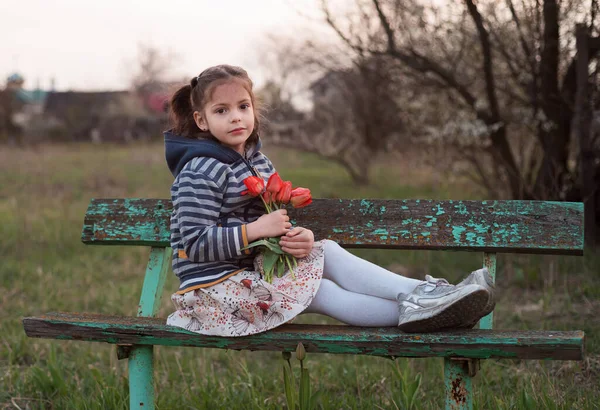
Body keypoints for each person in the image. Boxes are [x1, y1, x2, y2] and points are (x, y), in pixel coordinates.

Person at [164, 64, 495, 337]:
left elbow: (269, 223)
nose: (236, 117)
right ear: (201, 120)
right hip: (213, 293)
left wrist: (292, 238)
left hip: (251, 276)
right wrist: (255, 231)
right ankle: (437, 311)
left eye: (243, 107)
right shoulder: (199, 170)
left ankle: (427, 299)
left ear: (253, 109)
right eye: (222, 110)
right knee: (320, 291)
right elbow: (195, 243)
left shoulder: (258, 162)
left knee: (327, 250)